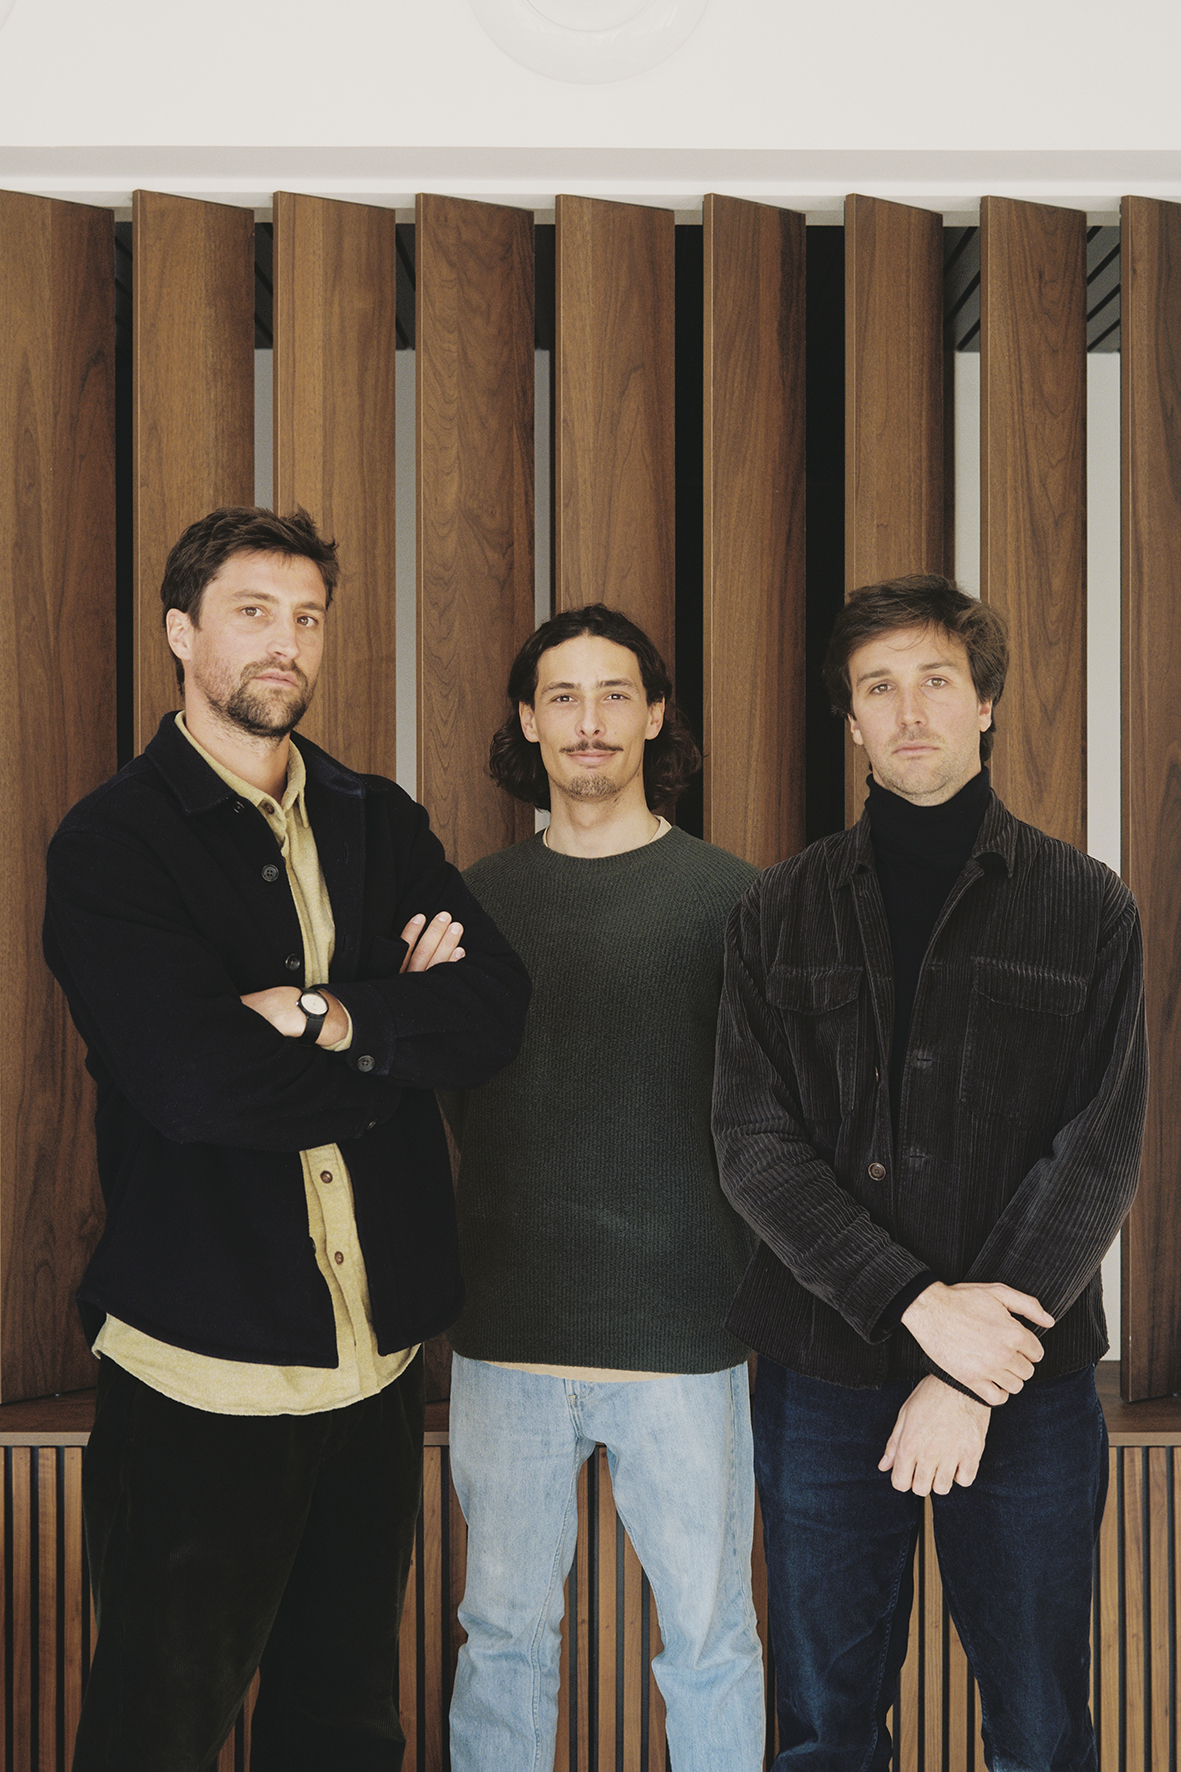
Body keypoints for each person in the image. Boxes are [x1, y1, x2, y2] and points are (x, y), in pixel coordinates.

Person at [43, 506, 529, 1772]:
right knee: (156, 1729)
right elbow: (194, 1085)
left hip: (373, 1363)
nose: (286, 642)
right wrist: (391, 1034)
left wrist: (321, 1015)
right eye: (253, 611)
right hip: (202, 1370)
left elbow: (492, 1012)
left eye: (307, 616)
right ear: (180, 632)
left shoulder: (376, 819)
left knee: (343, 1724)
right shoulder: (113, 842)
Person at [712, 574, 1148, 1772]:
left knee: (1040, 1721)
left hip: (1023, 1381)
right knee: (823, 1724)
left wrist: (967, 1367)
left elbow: (1098, 1147)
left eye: (936, 682)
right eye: (878, 687)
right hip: (819, 1372)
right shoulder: (774, 911)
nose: (909, 710)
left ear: (985, 703)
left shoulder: (1086, 907)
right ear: (850, 720)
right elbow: (752, 1143)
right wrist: (912, 1304)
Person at [443, 604, 767, 1772]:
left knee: (710, 1634)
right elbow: (442, 1090)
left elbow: (772, 1114)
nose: (589, 720)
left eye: (615, 693)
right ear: (527, 720)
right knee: (501, 1634)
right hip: (507, 1334)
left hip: (686, 1335)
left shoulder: (733, 898)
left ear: (655, 714)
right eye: (563, 696)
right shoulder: (469, 903)